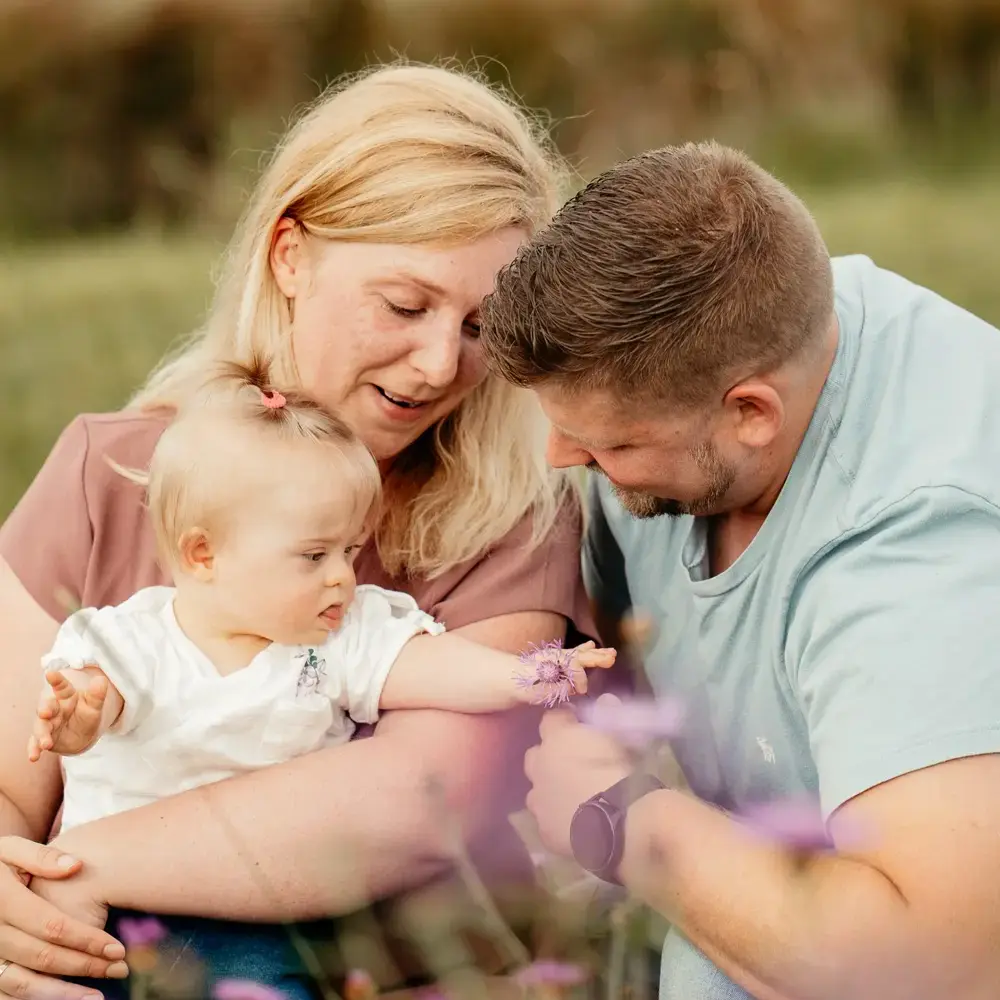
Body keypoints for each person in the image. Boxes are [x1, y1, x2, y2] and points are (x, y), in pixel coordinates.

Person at [0, 63, 595, 1000]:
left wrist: (80, 867)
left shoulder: (508, 519)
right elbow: (9, 779)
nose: (441, 363)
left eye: (482, 326)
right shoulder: (106, 477)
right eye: (404, 306)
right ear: (290, 256)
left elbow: (414, 804)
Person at [478, 141, 1000, 1000]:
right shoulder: (737, 326)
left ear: (751, 413)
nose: (558, 457)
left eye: (611, 444)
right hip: (828, 864)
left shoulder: (921, 542)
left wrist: (624, 820)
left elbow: (937, 967)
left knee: (708, 962)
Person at [26, 361, 614, 999]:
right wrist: (78, 715)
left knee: (259, 984)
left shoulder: (334, 638)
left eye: (348, 550)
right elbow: (99, 698)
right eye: (313, 556)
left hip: (257, 907)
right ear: (204, 554)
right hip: (111, 904)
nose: (341, 576)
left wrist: (528, 675)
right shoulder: (132, 638)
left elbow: (425, 667)